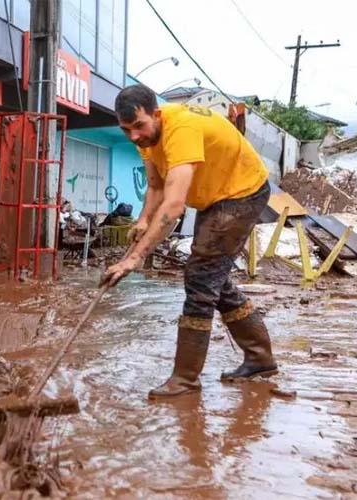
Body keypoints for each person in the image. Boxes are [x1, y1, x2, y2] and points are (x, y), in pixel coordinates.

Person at [102, 84, 277, 399]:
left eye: (139, 126)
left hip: (243, 192)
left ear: (157, 114)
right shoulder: (146, 137)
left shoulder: (180, 130)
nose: (134, 136)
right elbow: (156, 187)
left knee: (200, 279)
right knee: (211, 278)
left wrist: (134, 258)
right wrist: (143, 220)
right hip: (215, 197)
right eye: (126, 130)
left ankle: (185, 379)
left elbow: (173, 206)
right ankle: (259, 358)